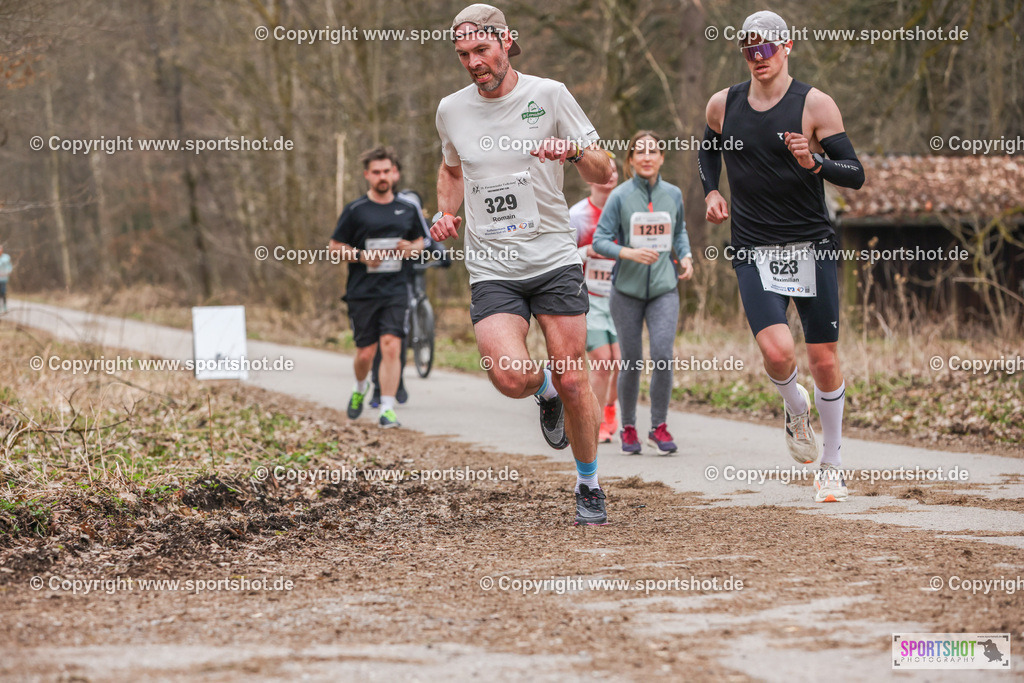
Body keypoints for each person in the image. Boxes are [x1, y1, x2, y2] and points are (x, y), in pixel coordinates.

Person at [430, 4, 613, 525]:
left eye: (481, 50)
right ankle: (543, 391)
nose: (473, 63)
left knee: (575, 378)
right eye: (464, 54)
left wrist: (574, 151)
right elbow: (451, 169)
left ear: (507, 42)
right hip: (492, 264)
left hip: (553, 255)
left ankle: (588, 483)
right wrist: (445, 214)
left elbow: (606, 168)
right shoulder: (451, 110)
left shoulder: (549, 95)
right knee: (509, 376)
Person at [698, 10, 865, 502]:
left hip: (810, 244)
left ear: (786, 46)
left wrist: (814, 160)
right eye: (749, 49)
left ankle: (831, 464)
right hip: (753, 246)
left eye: (766, 47)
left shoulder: (814, 104)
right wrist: (711, 192)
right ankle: (795, 408)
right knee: (777, 352)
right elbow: (707, 151)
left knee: (823, 359)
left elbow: (854, 172)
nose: (758, 57)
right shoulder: (722, 104)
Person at [593, 131, 693, 455]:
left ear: (662, 158)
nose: (647, 157)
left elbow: (679, 232)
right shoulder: (619, 196)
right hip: (626, 291)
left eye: (653, 151)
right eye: (640, 152)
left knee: (663, 356)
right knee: (632, 361)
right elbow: (600, 240)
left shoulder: (673, 194)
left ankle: (659, 426)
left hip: (664, 289)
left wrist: (686, 256)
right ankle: (629, 427)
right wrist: (628, 252)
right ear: (631, 160)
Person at [329, 146, 425, 428]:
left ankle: (387, 408)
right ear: (367, 175)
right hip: (363, 291)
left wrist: (411, 248)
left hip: (397, 289)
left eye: (386, 171)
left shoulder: (409, 209)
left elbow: (422, 242)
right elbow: (334, 248)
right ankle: (360, 388)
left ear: (394, 174)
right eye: (376, 172)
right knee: (366, 353)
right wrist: (361, 256)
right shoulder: (356, 210)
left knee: (392, 346)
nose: (382, 177)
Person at [368, 154, 432, 408]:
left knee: (396, 337)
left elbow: (428, 240)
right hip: (375, 283)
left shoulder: (412, 212)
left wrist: (420, 248)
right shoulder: (370, 210)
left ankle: (397, 382)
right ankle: (375, 386)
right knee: (377, 339)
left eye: (390, 171)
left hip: (403, 281)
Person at [569, 152, 622, 443]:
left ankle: (610, 407)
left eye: (615, 171)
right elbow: (561, 256)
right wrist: (587, 252)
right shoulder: (577, 216)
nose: (610, 175)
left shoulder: (626, 211)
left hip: (622, 298)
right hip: (589, 298)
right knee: (603, 361)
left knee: (620, 362)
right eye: (606, 170)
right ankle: (597, 421)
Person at [0, 245, 11, 314]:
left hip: (3, 279)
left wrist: (6, 273)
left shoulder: (6, 258)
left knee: (3, 293)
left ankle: (4, 307)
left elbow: (9, 267)